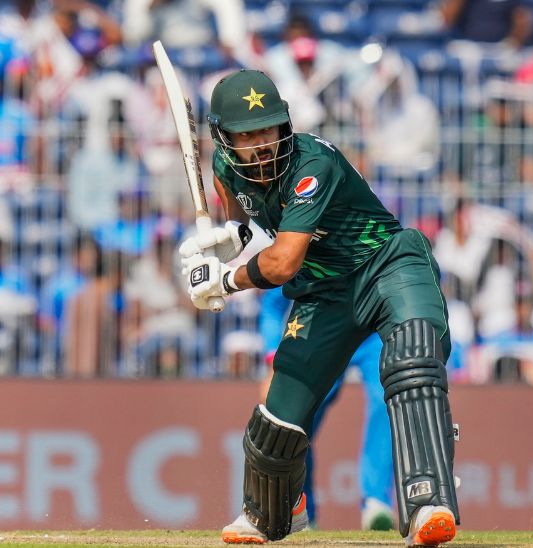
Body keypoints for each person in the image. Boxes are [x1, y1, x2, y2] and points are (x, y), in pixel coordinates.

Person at [177, 69, 459, 546]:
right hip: (324, 290)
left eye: (267, 129)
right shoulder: (225, 167)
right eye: (247, 135)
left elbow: (284, 262)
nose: (262, 145)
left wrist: (225, 279)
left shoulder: (312, 164)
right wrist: (229, 239)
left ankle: (428, 502)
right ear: (225, 139)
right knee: (281, 408)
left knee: (413, 363)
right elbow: (242, 219)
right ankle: (273, 511)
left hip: (386, 264)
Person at [257, 287, 394, 531]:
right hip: (323, 331)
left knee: (386, 400)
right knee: (297, 416)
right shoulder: (307, 259)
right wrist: (272, 360)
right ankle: (300, 509)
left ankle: (377, 502)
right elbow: (273, 303)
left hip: (373, 333)